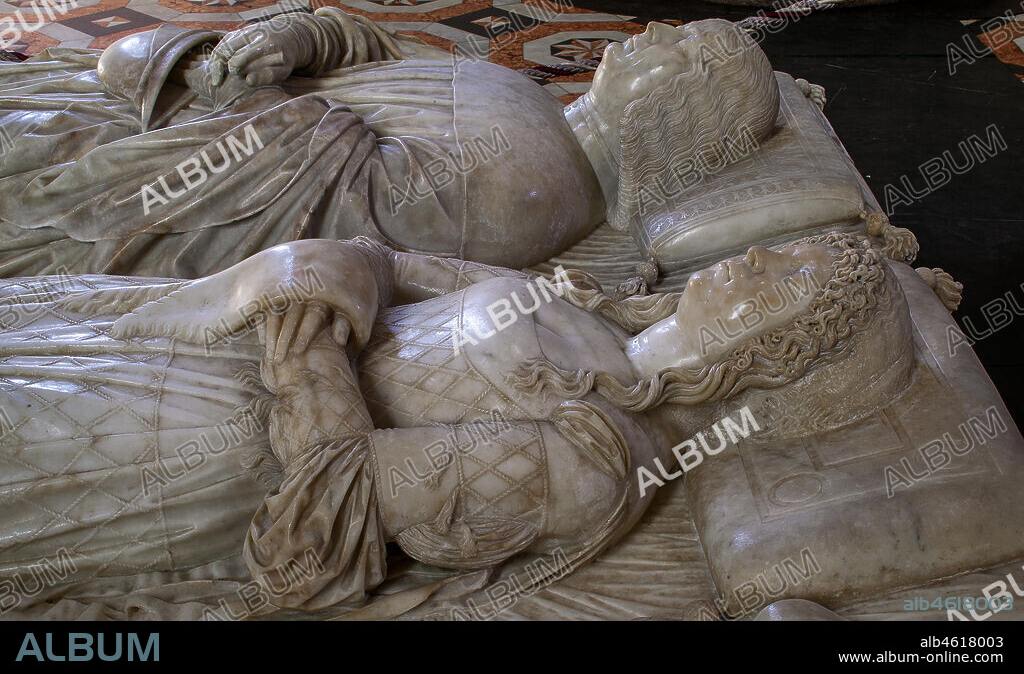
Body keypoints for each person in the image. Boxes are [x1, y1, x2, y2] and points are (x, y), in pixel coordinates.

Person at [0, 232, 913, 617]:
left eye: (780, 277)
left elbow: (330, 504)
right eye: (780, 244)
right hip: (212, 329)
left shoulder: (596, 461)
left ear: (777, 352)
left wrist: (303, 315)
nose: (752, 255)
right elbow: (393, 263)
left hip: (192, 438)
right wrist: (334, 268)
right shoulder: (583, 303)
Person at [0, 11, 779, 278]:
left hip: (163, 172)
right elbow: (373, 49)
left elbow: (313, 203)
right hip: (188, 111)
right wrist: (292, 36)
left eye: (682, 49)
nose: (655, 31)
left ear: (679, 115)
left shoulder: (528, 190)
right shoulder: (536, 104)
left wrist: (238, 87)